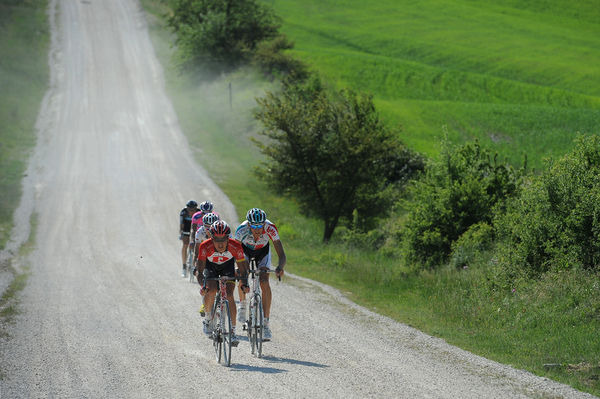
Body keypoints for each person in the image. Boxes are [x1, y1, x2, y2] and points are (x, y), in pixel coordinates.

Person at [235, 208, 286, 341]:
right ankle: (242, 304)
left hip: (263, 252)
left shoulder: (270, 228)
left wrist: (280, 267)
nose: (258, 229)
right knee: (243, 272)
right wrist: (237, 269)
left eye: (260, 225)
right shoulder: (241, 230)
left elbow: (281, 254)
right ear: (248, 224)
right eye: (254, 226)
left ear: (264, 223)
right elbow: (235, 252)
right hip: (245, 251)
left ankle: (266, 323)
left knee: (264, 281)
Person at [196, 220, 249, 346]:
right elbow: (199, 271)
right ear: (211, 238)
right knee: (212, 290)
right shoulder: (204, 246)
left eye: (223, 240)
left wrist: (245, 284)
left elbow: (242, 269)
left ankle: (233, 331)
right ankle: (208, 318)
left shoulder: (236, 246)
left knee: (229, 295)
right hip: (211, 267)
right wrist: (203, 286)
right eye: (217, 240)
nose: (220, 244)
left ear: (228, 238)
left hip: (227, 267)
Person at [179, 200, 198, 277]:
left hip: (195, 229)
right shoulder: (183, 212)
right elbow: (181, 225)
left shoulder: (198, 213)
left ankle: (195, 265)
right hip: (186, 228)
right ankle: (184, 266)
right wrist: (181, 233)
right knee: (185, 244)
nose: (191, 212)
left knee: (196, 246)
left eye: (193, 210)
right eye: (189, 210)